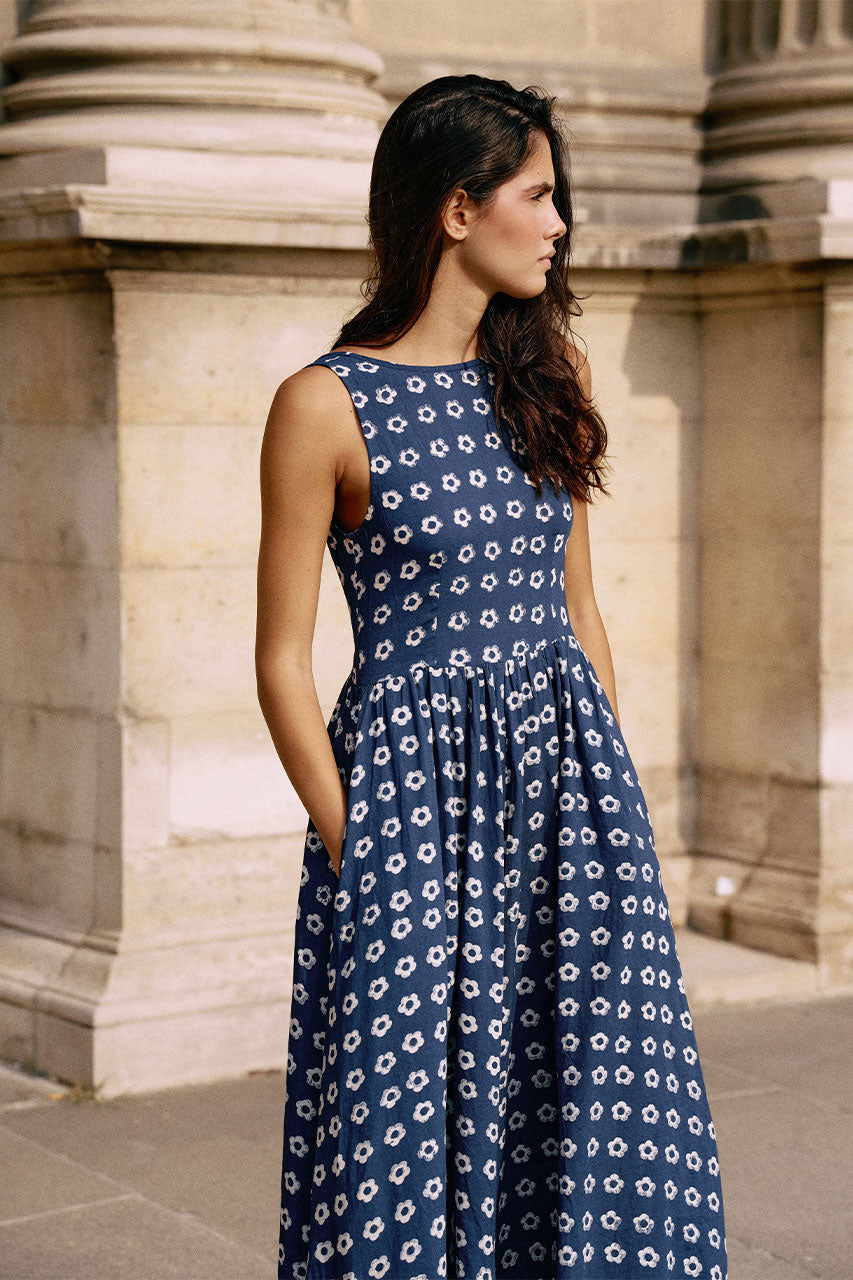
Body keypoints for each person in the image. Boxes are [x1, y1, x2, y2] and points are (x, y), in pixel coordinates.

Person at [256, 73, 727, 1280]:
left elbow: (579, 609)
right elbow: (279, 661)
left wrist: (612, 801)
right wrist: (352, 840)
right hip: (410, 812)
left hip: (567, 797)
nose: (560, 223)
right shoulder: (323, 403)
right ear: (457, 211)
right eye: (540, 195)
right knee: (408, 1121)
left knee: (590, 1098)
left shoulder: (543, 373)